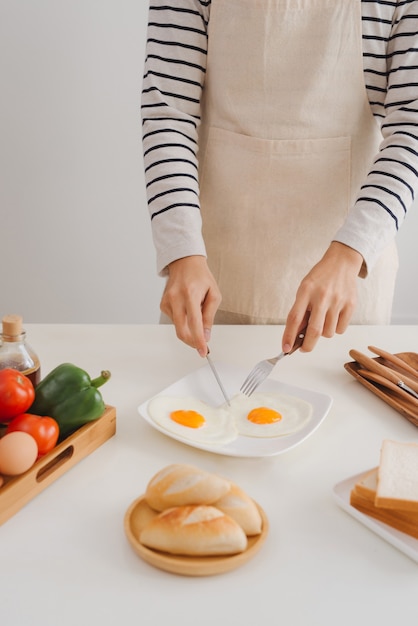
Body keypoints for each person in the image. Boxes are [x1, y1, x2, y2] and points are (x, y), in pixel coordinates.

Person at [141, 0, 418, 357]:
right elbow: (169, 114)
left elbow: (412, 127)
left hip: (345, 290)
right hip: (210, 278)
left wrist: (350, 253)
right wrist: (182, 253)